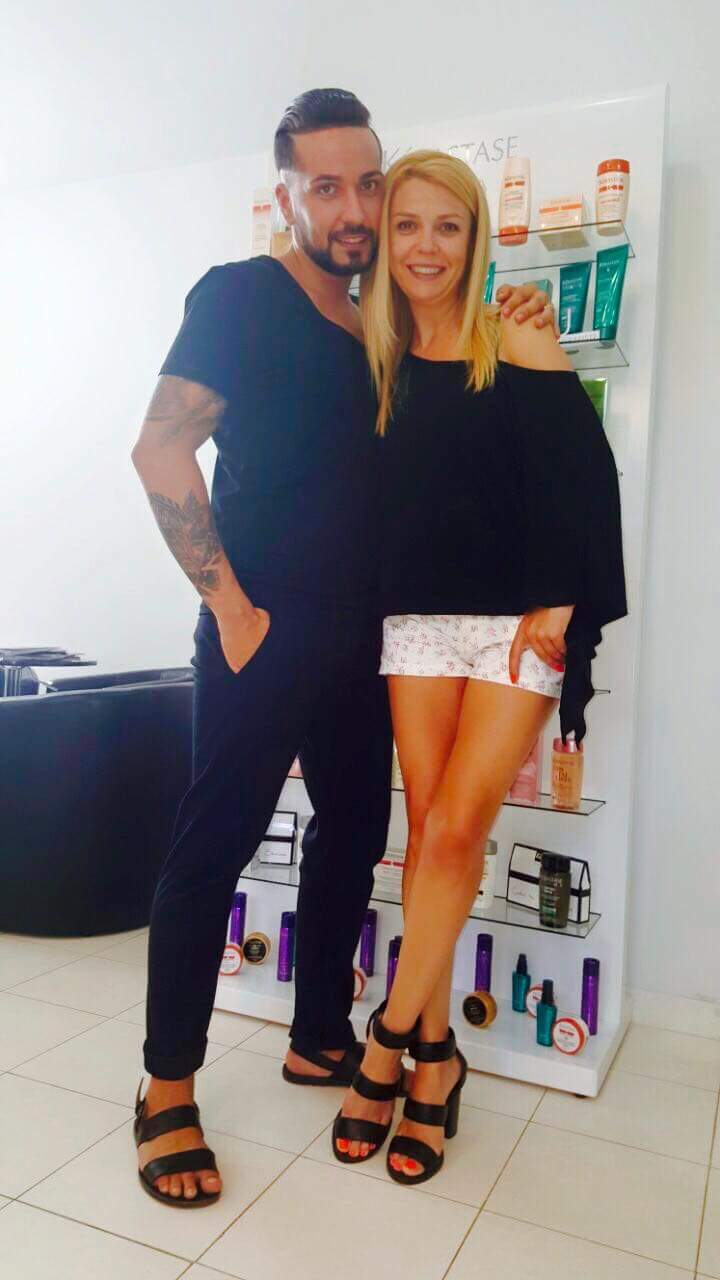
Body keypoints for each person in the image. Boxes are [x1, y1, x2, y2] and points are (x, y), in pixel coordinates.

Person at [130, 90, 553, 1207]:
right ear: (287, 195)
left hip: (371, 639)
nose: (356, 208)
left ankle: (320, 1029)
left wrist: (513, 310)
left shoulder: (380, 320)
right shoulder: (240, 296)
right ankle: (165, 1087)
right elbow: (161, 450)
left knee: (355, 836)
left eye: (369, 182)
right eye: (327, 186)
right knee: (213, 845)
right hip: (263, 628)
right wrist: (232, 611)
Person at [332, 149, 627, 1186]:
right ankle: (436, 1057)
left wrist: (563, 599)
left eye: (446, 226)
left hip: (514, 627)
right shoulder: (376, 359)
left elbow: (584, 479)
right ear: (388, 240)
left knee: (458, 829)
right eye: (407, 225)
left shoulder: (518, 337)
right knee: (428, 837)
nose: (425, 246)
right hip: (414, 621)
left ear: (475, 239)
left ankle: (386, 1041)